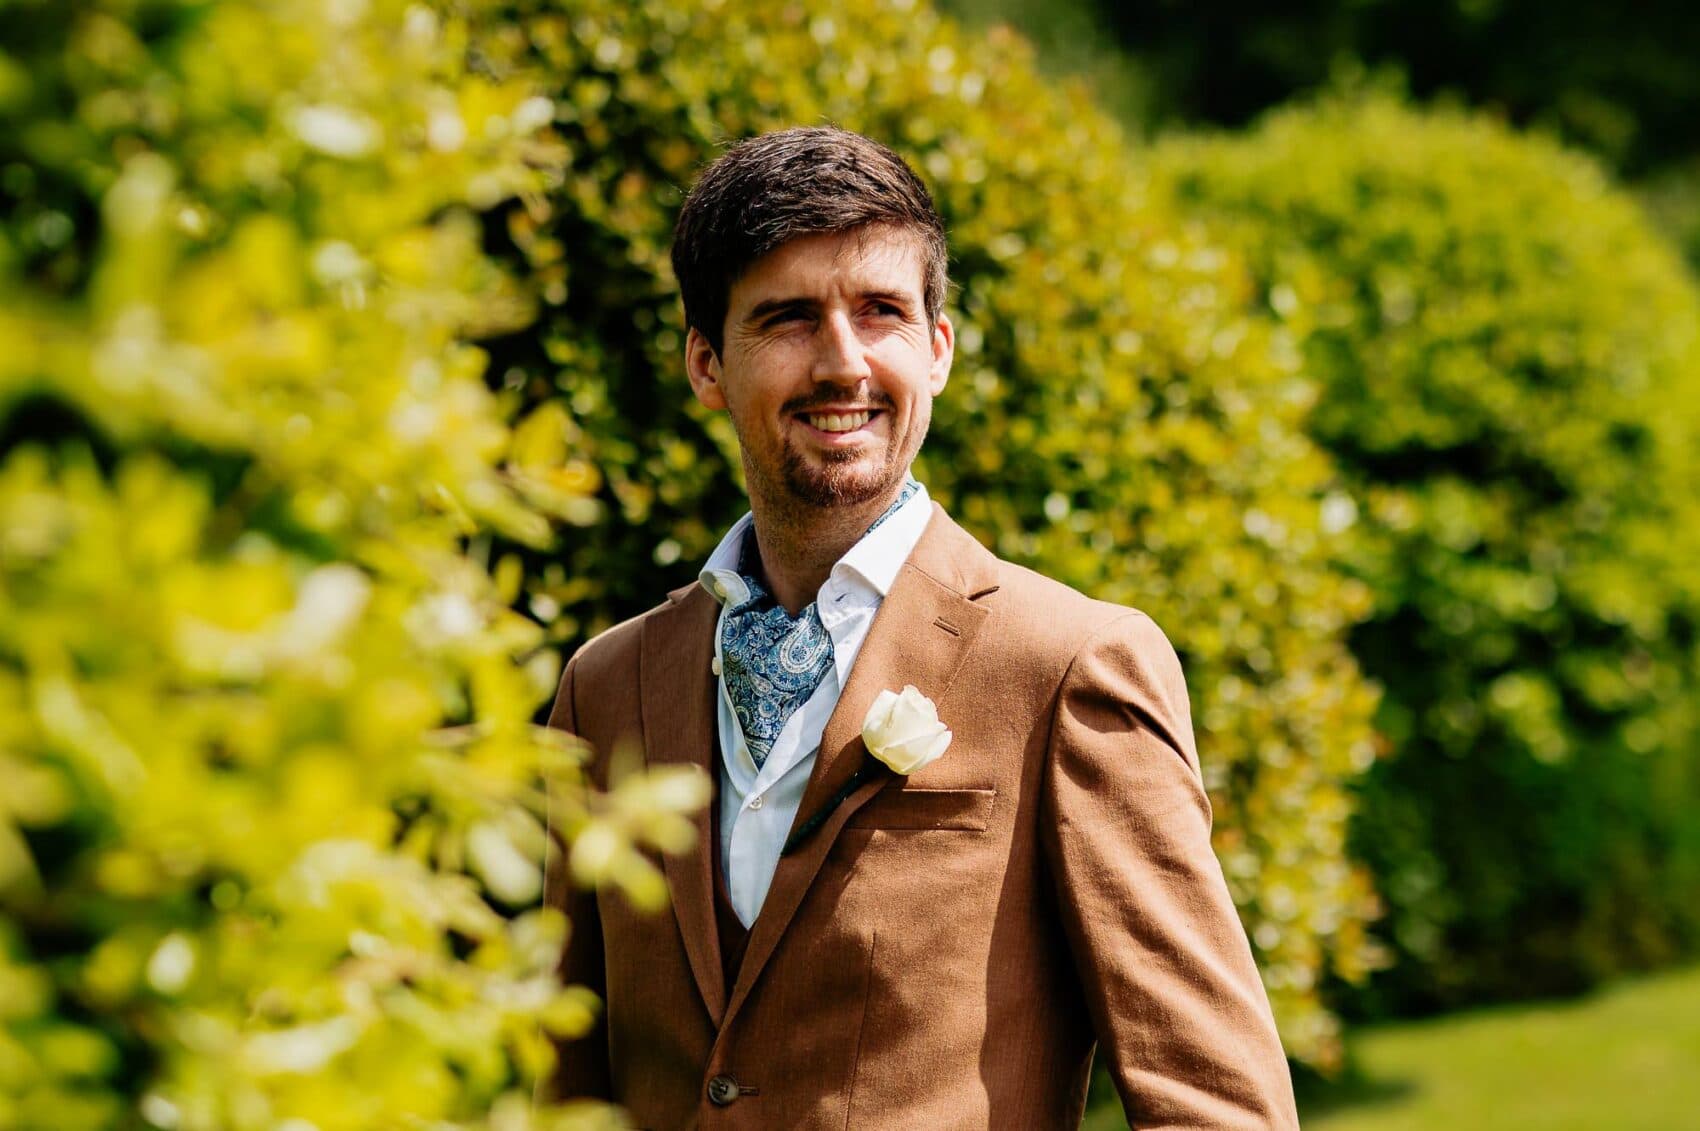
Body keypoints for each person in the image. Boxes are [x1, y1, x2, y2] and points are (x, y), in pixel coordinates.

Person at [543, 125, 1299, 1129]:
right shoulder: (606, 687)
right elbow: (557, 1080)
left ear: (937, 351)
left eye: (882, 312)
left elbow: (1214, 1103)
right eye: (787, 319)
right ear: (705, 364)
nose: (842, 362)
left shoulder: (1066, 665)